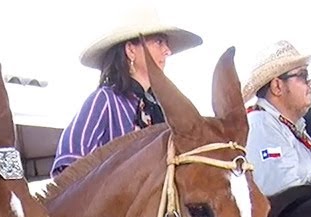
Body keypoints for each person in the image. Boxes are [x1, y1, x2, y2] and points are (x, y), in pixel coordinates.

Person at [51, 6, 201, 177]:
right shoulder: (105, 100)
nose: (167, 50)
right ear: (131, 50)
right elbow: (69, 165)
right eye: (159, 42)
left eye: (166, 43)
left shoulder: (163, 109)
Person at [242, 41, 311, 197]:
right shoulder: (261, 125)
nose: (310, 85)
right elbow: (284, 197)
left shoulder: (289, 128)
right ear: (277, 86)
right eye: (303, 76)